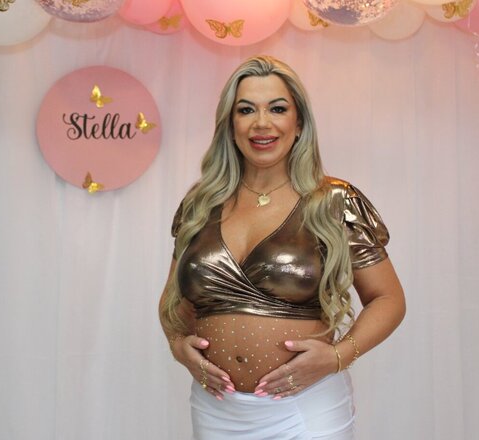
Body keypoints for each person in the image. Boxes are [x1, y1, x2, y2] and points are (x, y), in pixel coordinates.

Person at [159, 55, 405, 440]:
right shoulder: (200, 205)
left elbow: (388, 299)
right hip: (216, 409)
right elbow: (173, 302)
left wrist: (338, 356)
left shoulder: (333, 201)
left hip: (305, 409)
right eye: (246, 110)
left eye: (277, 108)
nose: (262, 123)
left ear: (299, 122)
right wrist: (178, 345)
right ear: (230, 125)